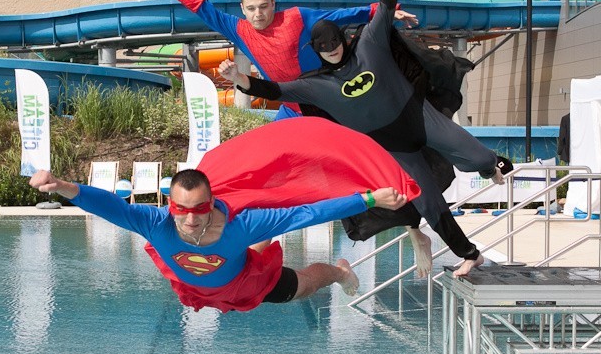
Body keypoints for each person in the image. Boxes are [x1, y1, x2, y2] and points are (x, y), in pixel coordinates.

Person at [219, 0, 507, 278]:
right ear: (318, 53)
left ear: (342, 38)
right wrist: (239, 79)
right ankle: (469, 253)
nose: (332, 49)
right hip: (395, 149)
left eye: (335, 42)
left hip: (420, 119)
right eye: (324, 48)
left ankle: (491, 165)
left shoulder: (370, 44)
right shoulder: (316, 86)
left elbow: (386, 0)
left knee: (477, 158)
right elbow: (274, 89)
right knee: (428, 202)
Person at [127, 0, 430, 273]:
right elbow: (196, 2)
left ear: (274, 5)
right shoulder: (239, 29)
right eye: (252, 8)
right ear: (243, 10)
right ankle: (256, 249)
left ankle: (416, 230)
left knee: (369, 166)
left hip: (326, 108)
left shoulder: (296, 19)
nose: (259, 14)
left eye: (264, 7)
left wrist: (384, 11)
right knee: (266, 173)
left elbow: (341, 16)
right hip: (291, 112)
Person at [29, 117, 418, 313]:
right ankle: (266, 248)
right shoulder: (156, 222)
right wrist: (64, 187)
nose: (193, 219)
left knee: (297, 288)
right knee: (253, 238)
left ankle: (339, 272)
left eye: (201, 209)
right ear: (170, 205)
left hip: (247, 281)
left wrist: (368, 199)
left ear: (212, 202)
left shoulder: (240, 224)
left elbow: (309, 212)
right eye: (183, 211)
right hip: (199, 285)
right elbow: (111, 206)